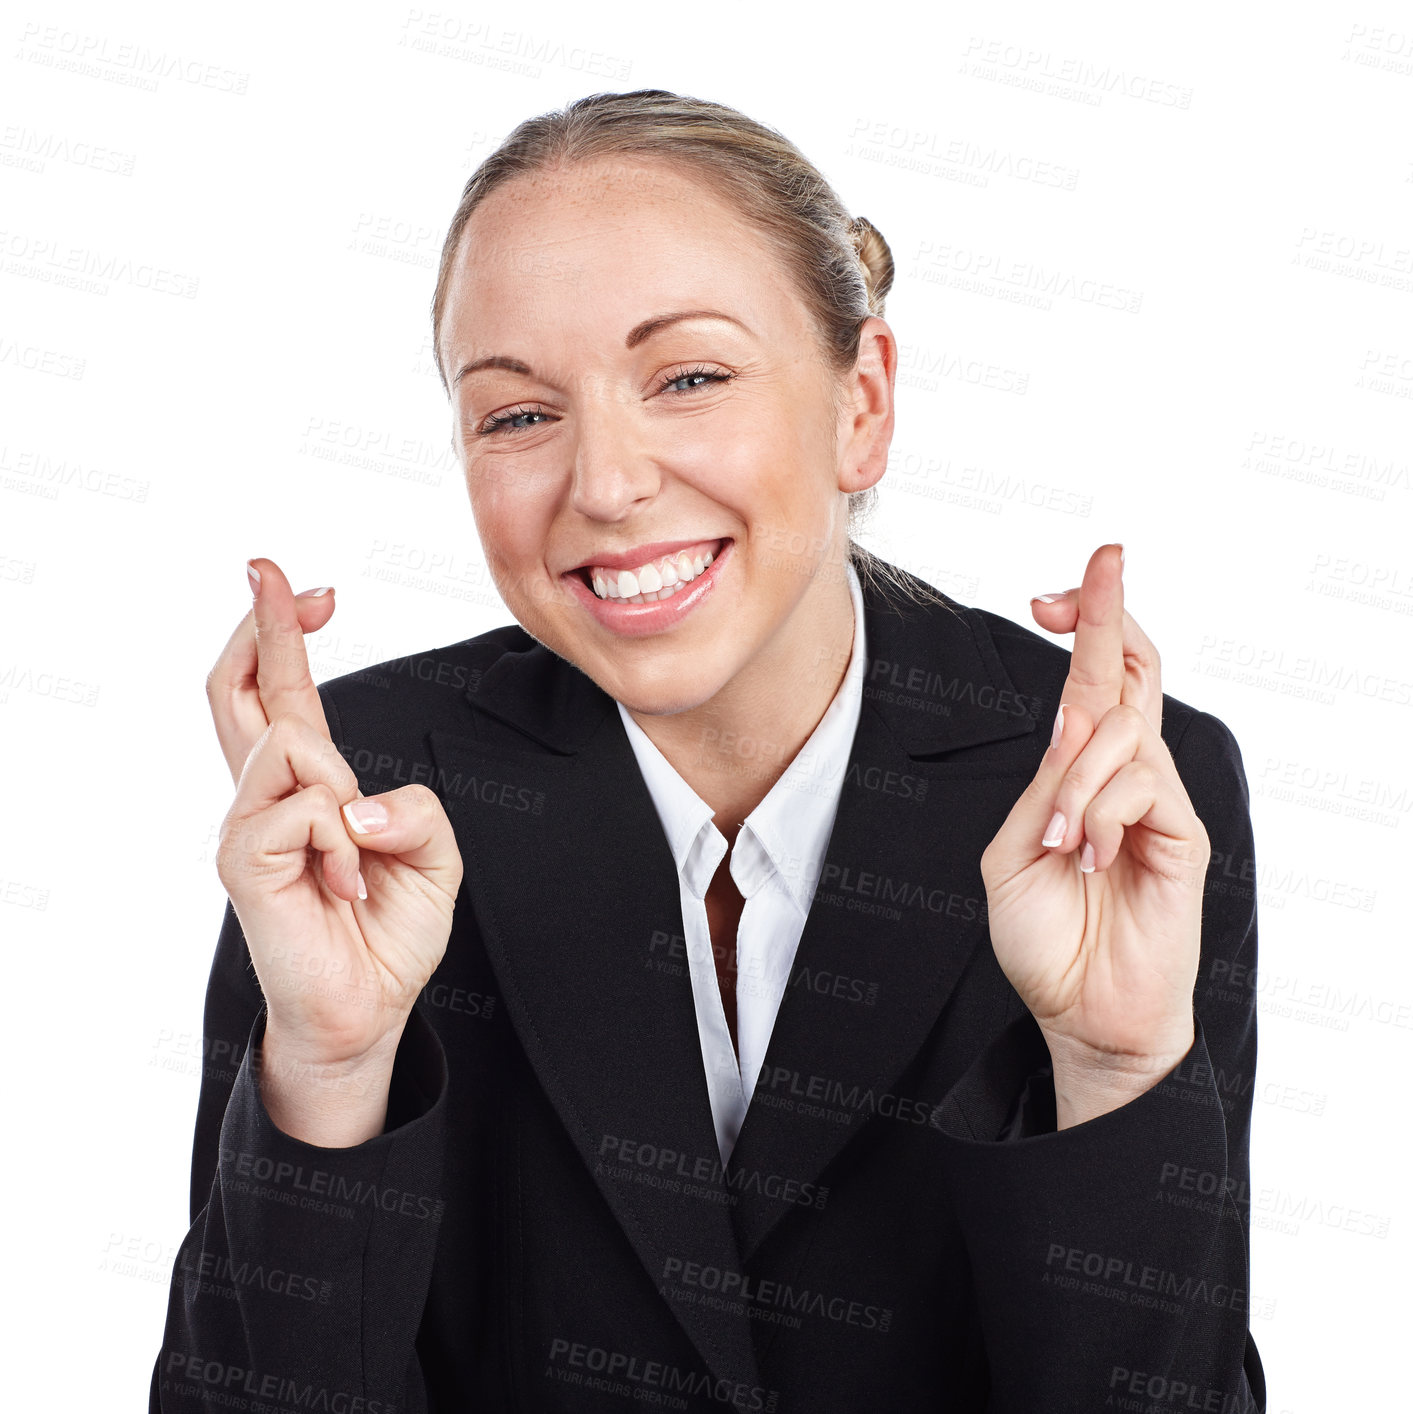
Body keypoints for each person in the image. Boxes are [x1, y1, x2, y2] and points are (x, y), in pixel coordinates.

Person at [152, 90, 1266, 1412]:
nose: (607, 484)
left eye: (687, 376)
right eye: (516, 415)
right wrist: (330, 1069)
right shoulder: (361, 796)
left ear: (861, 401)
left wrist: (1117, 1070)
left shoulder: (1107, 790)